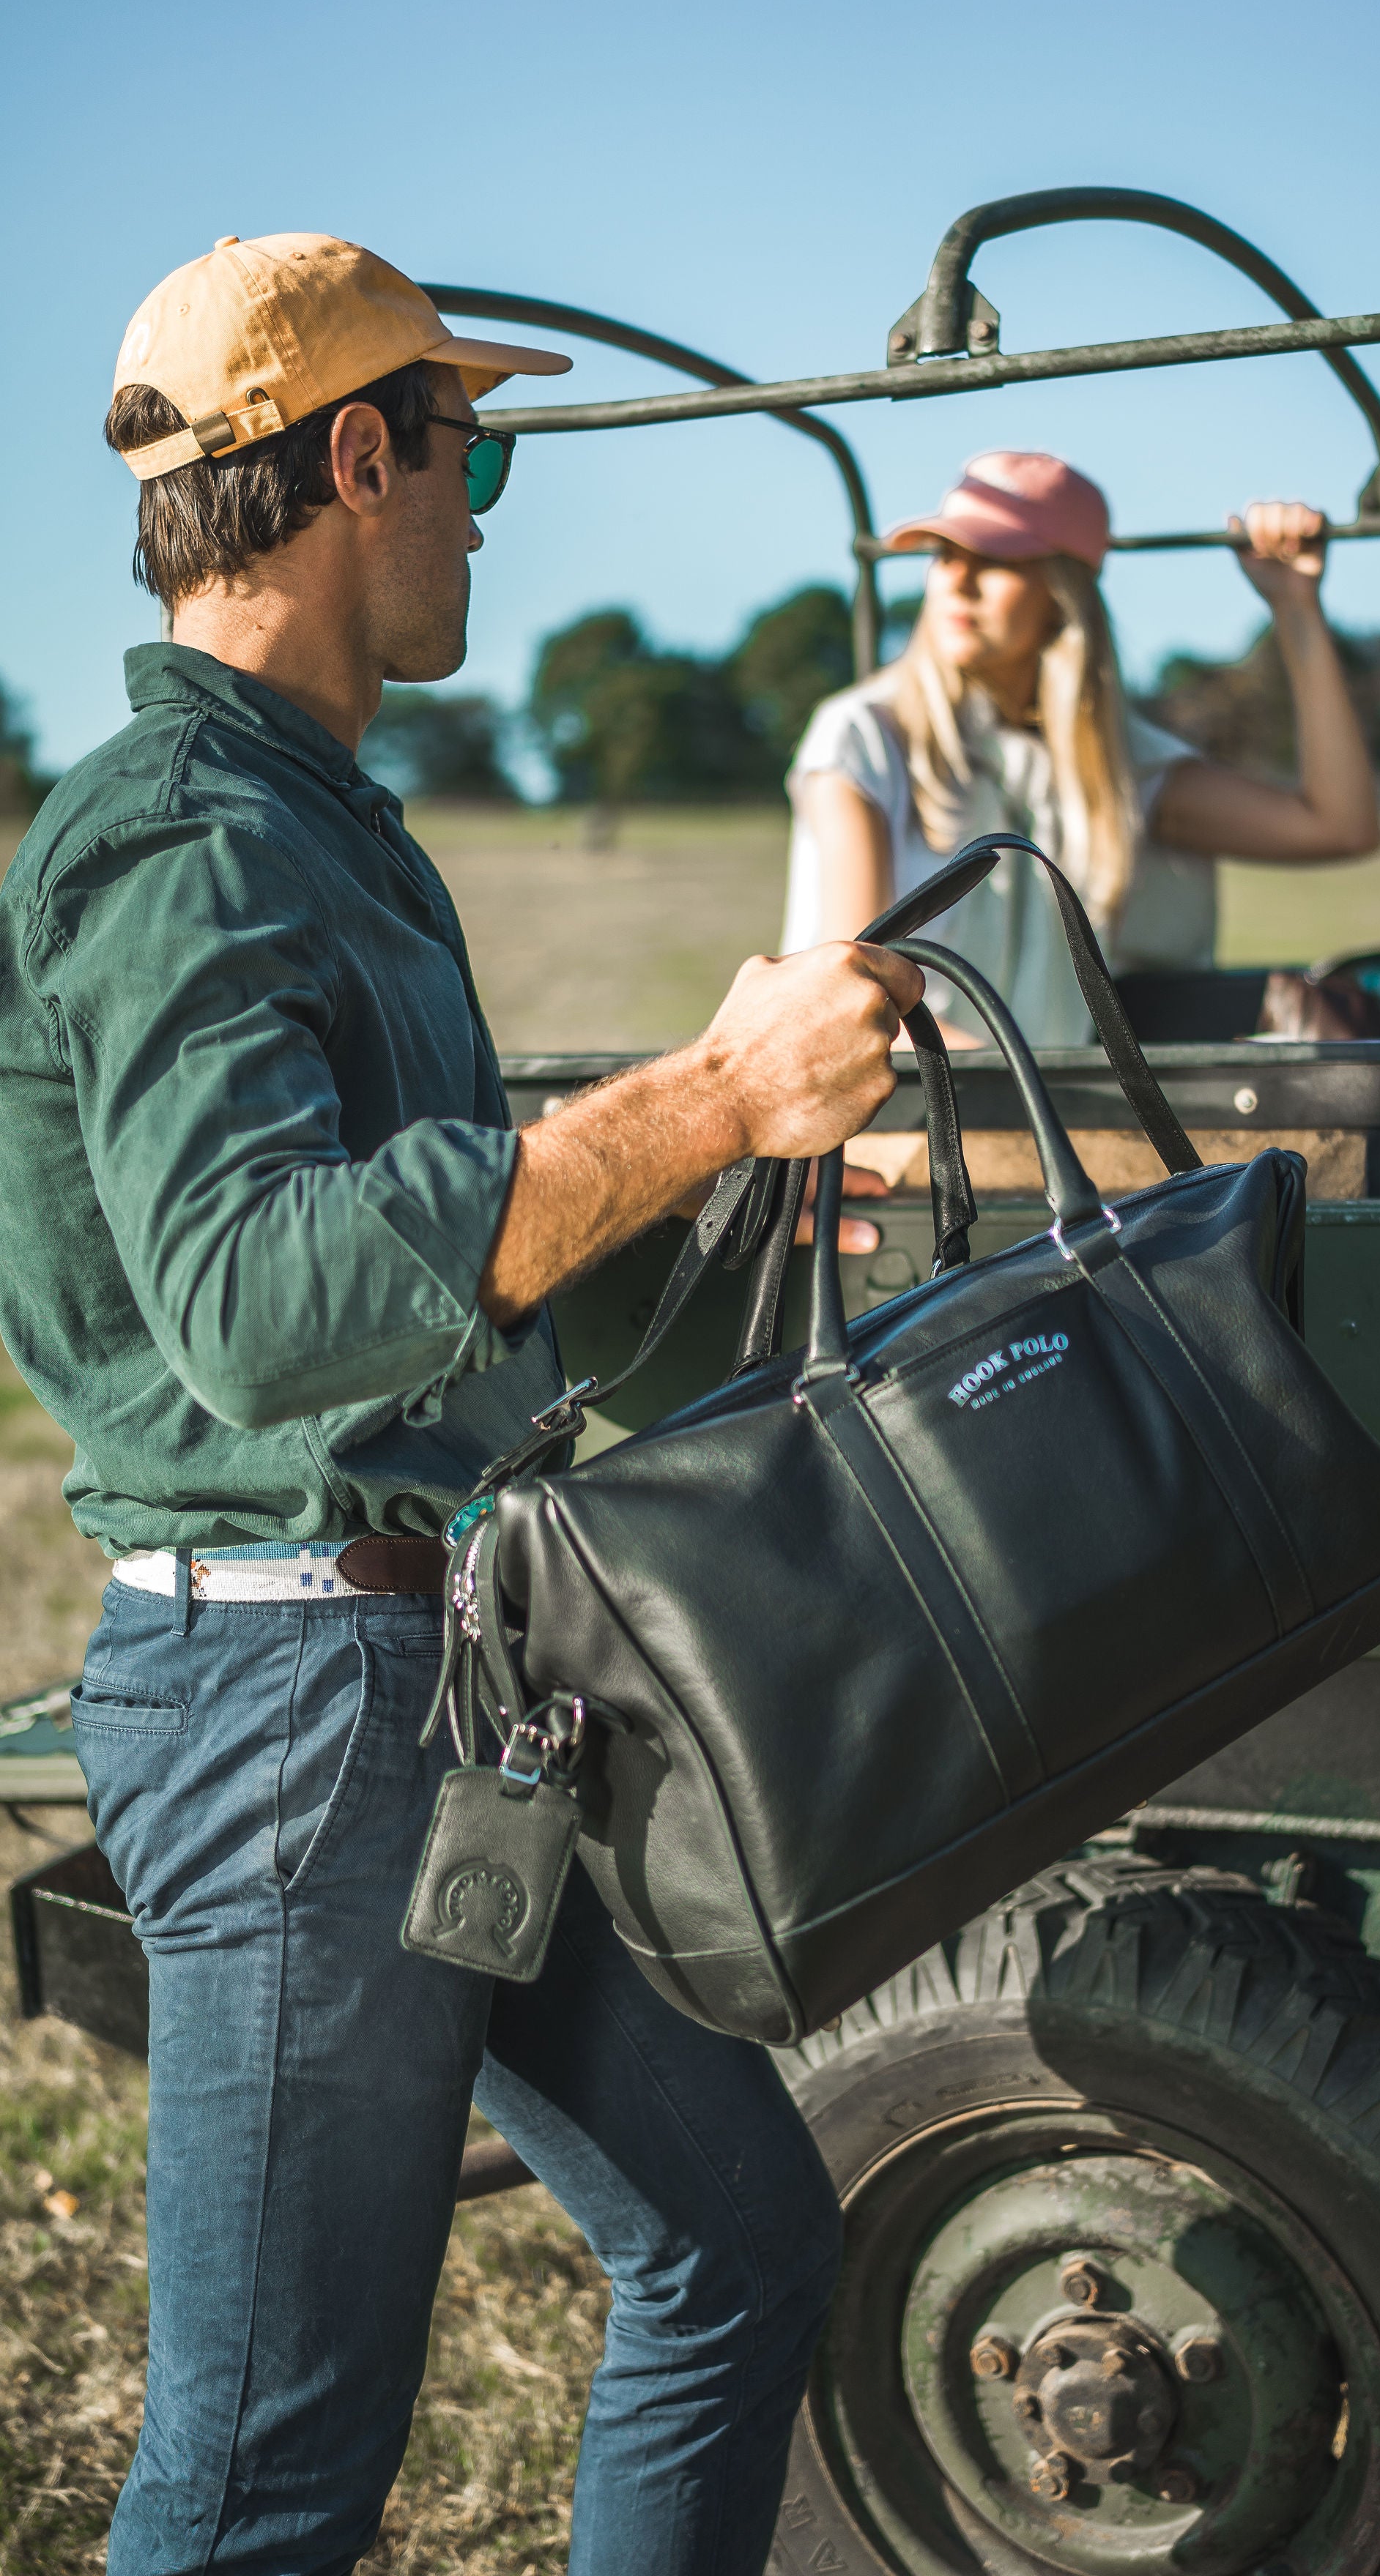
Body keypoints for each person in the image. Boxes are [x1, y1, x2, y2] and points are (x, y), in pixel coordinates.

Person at [0, 234, 926, 2576]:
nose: (485, 508)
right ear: (353, 457)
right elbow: (257, 1303)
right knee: (258, 2485)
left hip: (447, 1675)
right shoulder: (174, 830)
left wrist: (749, 1174)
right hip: (298, 1709)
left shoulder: (314, 813)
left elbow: (449, 1277)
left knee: (733, 2247)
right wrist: (710, 1094)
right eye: (468, 452)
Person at [783, 450, 1380, 1043]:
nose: (958, 582)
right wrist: (1028, 1092)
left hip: (1036, 1122)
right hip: (890, 1117)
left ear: (1062, 591)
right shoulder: (864, 737)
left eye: (994, 559)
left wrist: (1295, 605)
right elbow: (851, 994)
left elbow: (1339, 825)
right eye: (945, 555)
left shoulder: (1118, 769)